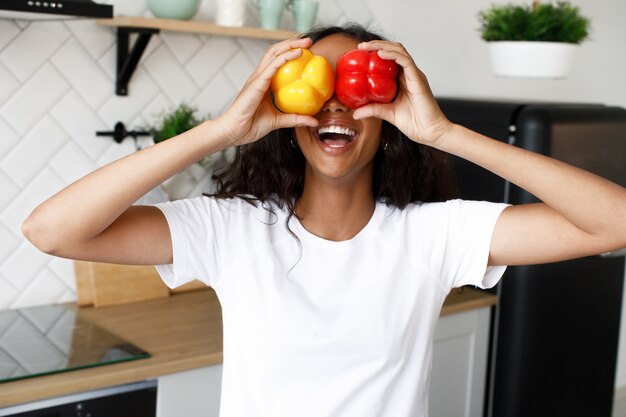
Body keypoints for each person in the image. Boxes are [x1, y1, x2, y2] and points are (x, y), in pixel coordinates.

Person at [22, 24, 626, 417]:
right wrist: (220, 131)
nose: (335, 102)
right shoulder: (231, 230)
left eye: (356, 89)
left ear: (387, 118)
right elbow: (51, 231)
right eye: (317, 87)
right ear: (289, 111)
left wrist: (445, 133)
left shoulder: (433, 234)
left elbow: (613, 222)